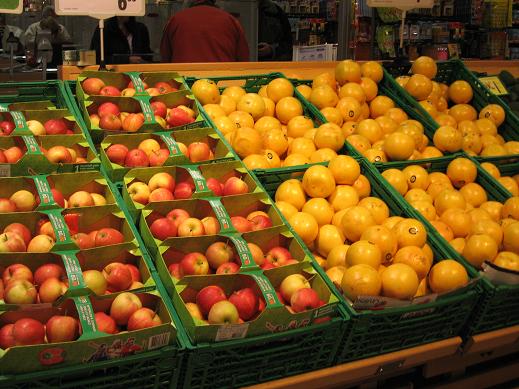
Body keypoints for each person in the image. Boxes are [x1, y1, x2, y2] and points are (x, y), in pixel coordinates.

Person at [160, 0, 249, 63]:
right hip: (221, 84)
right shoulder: (230, 20)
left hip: (184, 84)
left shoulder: (175, 20)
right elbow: (243, 60)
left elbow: (165, 59)